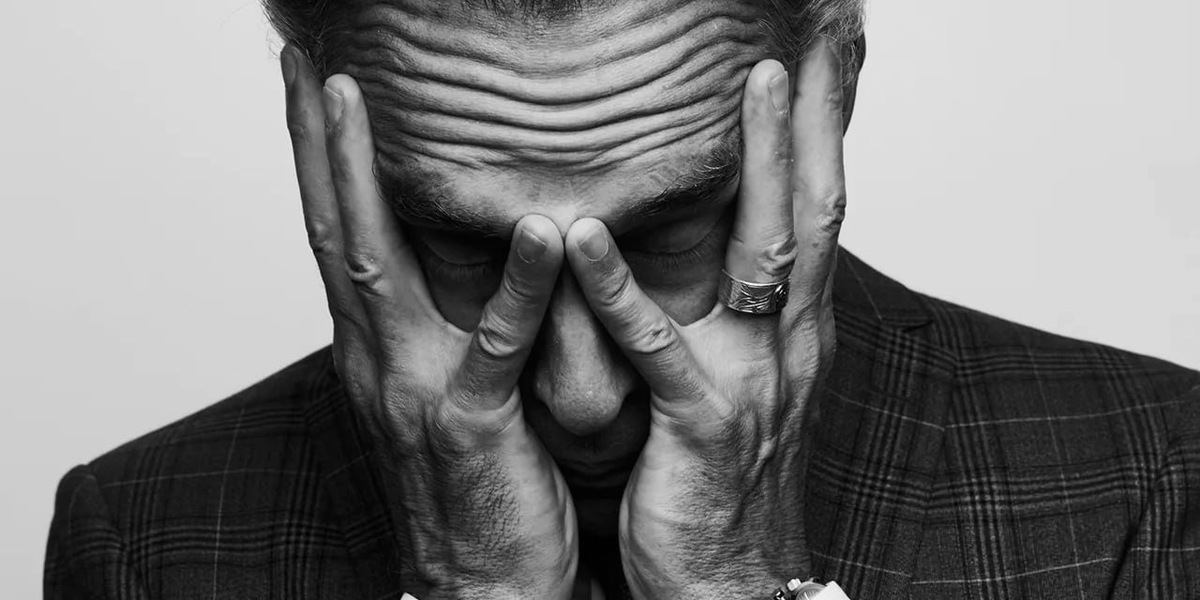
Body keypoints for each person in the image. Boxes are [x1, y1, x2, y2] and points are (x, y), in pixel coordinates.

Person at [44, 1, 1200, 598]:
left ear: (830, 100)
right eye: (465, 248)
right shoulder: (145, 543)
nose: (583, 397)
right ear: (316, 145)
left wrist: (742, 591)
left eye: (667, 238)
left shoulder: (1145, 484)